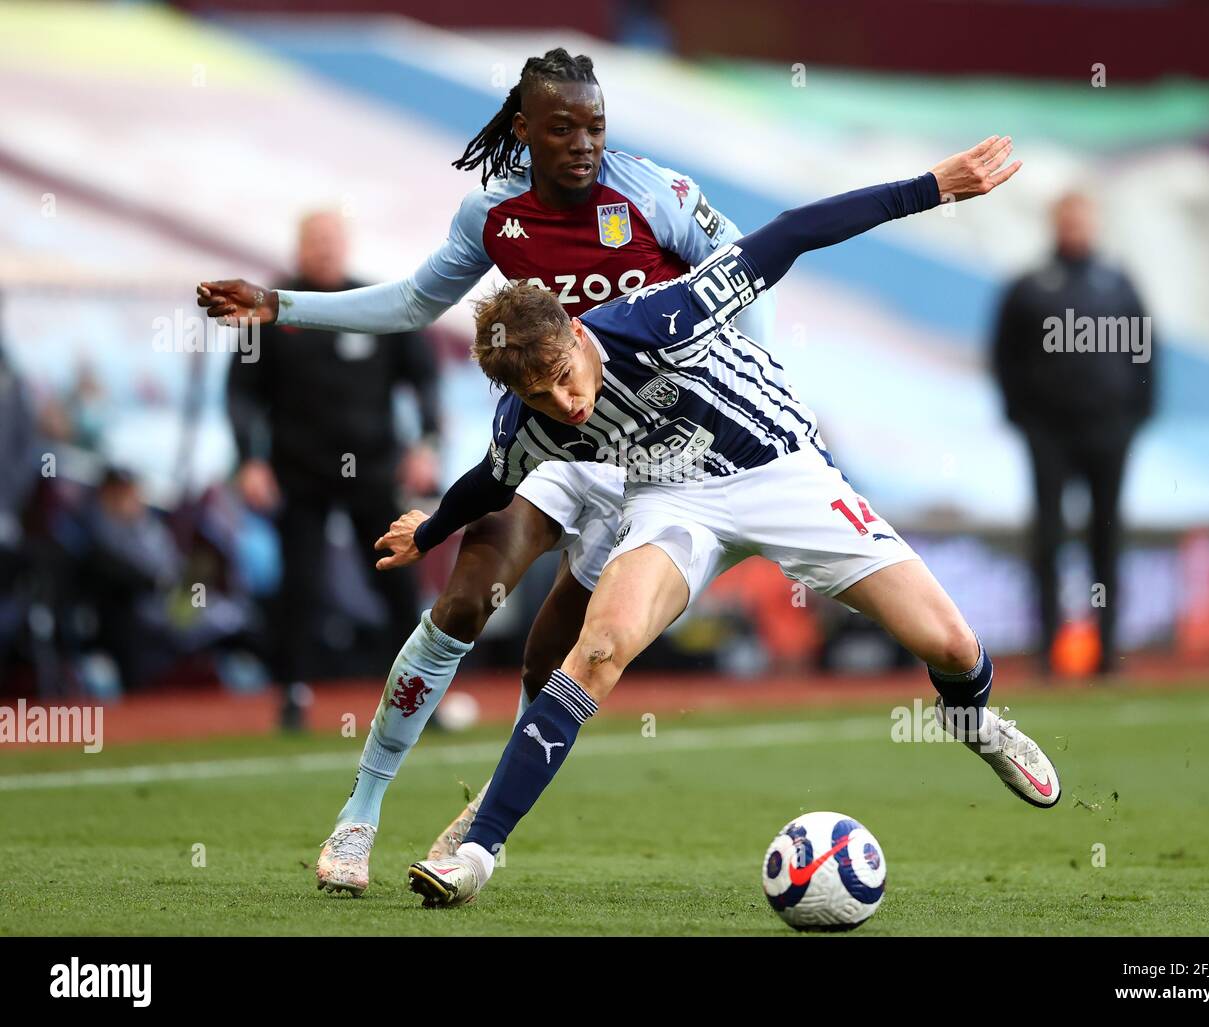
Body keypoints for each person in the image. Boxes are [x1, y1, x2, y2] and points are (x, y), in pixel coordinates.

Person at [379, 135, 1064, 910]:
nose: (565, 404)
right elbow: (488, 481)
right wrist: (430, 531)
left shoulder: (662, 318)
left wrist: (932, 186)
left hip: (781, 472)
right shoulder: (527, 422)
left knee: (949, 642)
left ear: (577, 335)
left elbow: (793, 231)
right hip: (673, 505)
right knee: (597, 650)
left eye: (565, 379)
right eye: (540, 396)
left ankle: (972, 720)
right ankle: (478, 850)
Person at [197, 48, 772, 895]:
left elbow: (744, 281)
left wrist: (744, 385)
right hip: (550, 444)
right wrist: (282, 305)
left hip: (650, 466)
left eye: (596, 126)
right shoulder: (494, 215)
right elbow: (410, 302)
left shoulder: (661, 195)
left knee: (552, 669)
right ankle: (359, 814)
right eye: (563, 127)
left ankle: (482, 816)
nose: (583, 144)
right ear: (522, 130)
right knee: (463, 600)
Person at [224, 210, 440, 722]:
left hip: (374, 470)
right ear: (298, 247)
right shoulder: (270, 311)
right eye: (313, 240)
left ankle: (417, 695)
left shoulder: (372, 304)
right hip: (299, 471)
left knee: (397, 579)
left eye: (331, 239)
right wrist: (247, 460)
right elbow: (239, 393)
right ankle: (293, 695)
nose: (323, 249)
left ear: (345, 245)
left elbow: (424, 377)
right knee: (299, 582)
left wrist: (426, 444)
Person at [992, 191, 1154, 675]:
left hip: (1109, 431)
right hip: (1049, 434)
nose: (1075, 229)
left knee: (1106, 536)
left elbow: (1146, 354)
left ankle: (1107, 653)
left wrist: (1133, 418)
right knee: (1048, 536)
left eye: (1083, 220)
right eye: (1067, 220)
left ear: (1095, 224)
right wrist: (1024, 419)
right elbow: (1005, 358)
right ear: (1054, 224)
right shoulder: (1030, 287)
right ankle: (1048, 649)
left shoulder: (1118, 285)